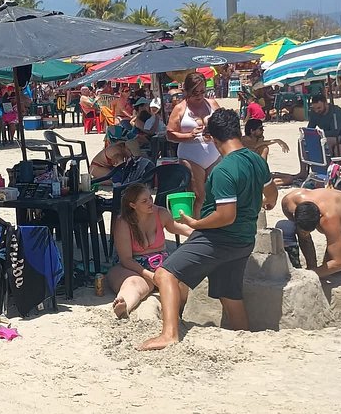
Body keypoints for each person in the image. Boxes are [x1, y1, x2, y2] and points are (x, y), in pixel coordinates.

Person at [140, 109, 278, 352]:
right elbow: (271, 193)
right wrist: (267, 203)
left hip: (219, 238)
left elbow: (225, 216)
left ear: (212, 138)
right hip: (244, 239)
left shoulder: (224, 170)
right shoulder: (257, 159)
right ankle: (245, 339)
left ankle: (169, 334)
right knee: (230, 294)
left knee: (165, 274)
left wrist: (195, 224)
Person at [107, 183, 192, 318]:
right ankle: (124, 305)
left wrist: (198, 232)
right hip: (133, 266)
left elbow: (177, 228)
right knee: (134, 284)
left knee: (181, 280)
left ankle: (179, 312)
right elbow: (126, 259)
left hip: (160, 263)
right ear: (133, 205)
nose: (150, 203)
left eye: (150, 198)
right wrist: (150, 276)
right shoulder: (123, 222)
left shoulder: (161, 213)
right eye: (144, 201)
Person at [166, 71, 221, 216]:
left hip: (213, 153)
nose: (199, 95)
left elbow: (223, 123)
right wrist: (188, 135)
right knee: (199, 196)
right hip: (191, 155)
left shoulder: (212, 104)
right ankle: (197, 228)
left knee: (215, 194)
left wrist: (214, 132)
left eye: (202, 91)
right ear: (187, 91)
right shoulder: (180, 108)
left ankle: (214, 228)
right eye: (195, 92)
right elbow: (169, 134)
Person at [281, 188, 341, 278]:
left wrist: (308, 275)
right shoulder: (289, 202)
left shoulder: (329, 219)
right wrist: (312, 268)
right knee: (284, 227)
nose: (305, 234)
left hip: (340, 215)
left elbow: (340, 262)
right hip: (334, 207)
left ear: (319, 218)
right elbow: (304, 238)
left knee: (334, 269)